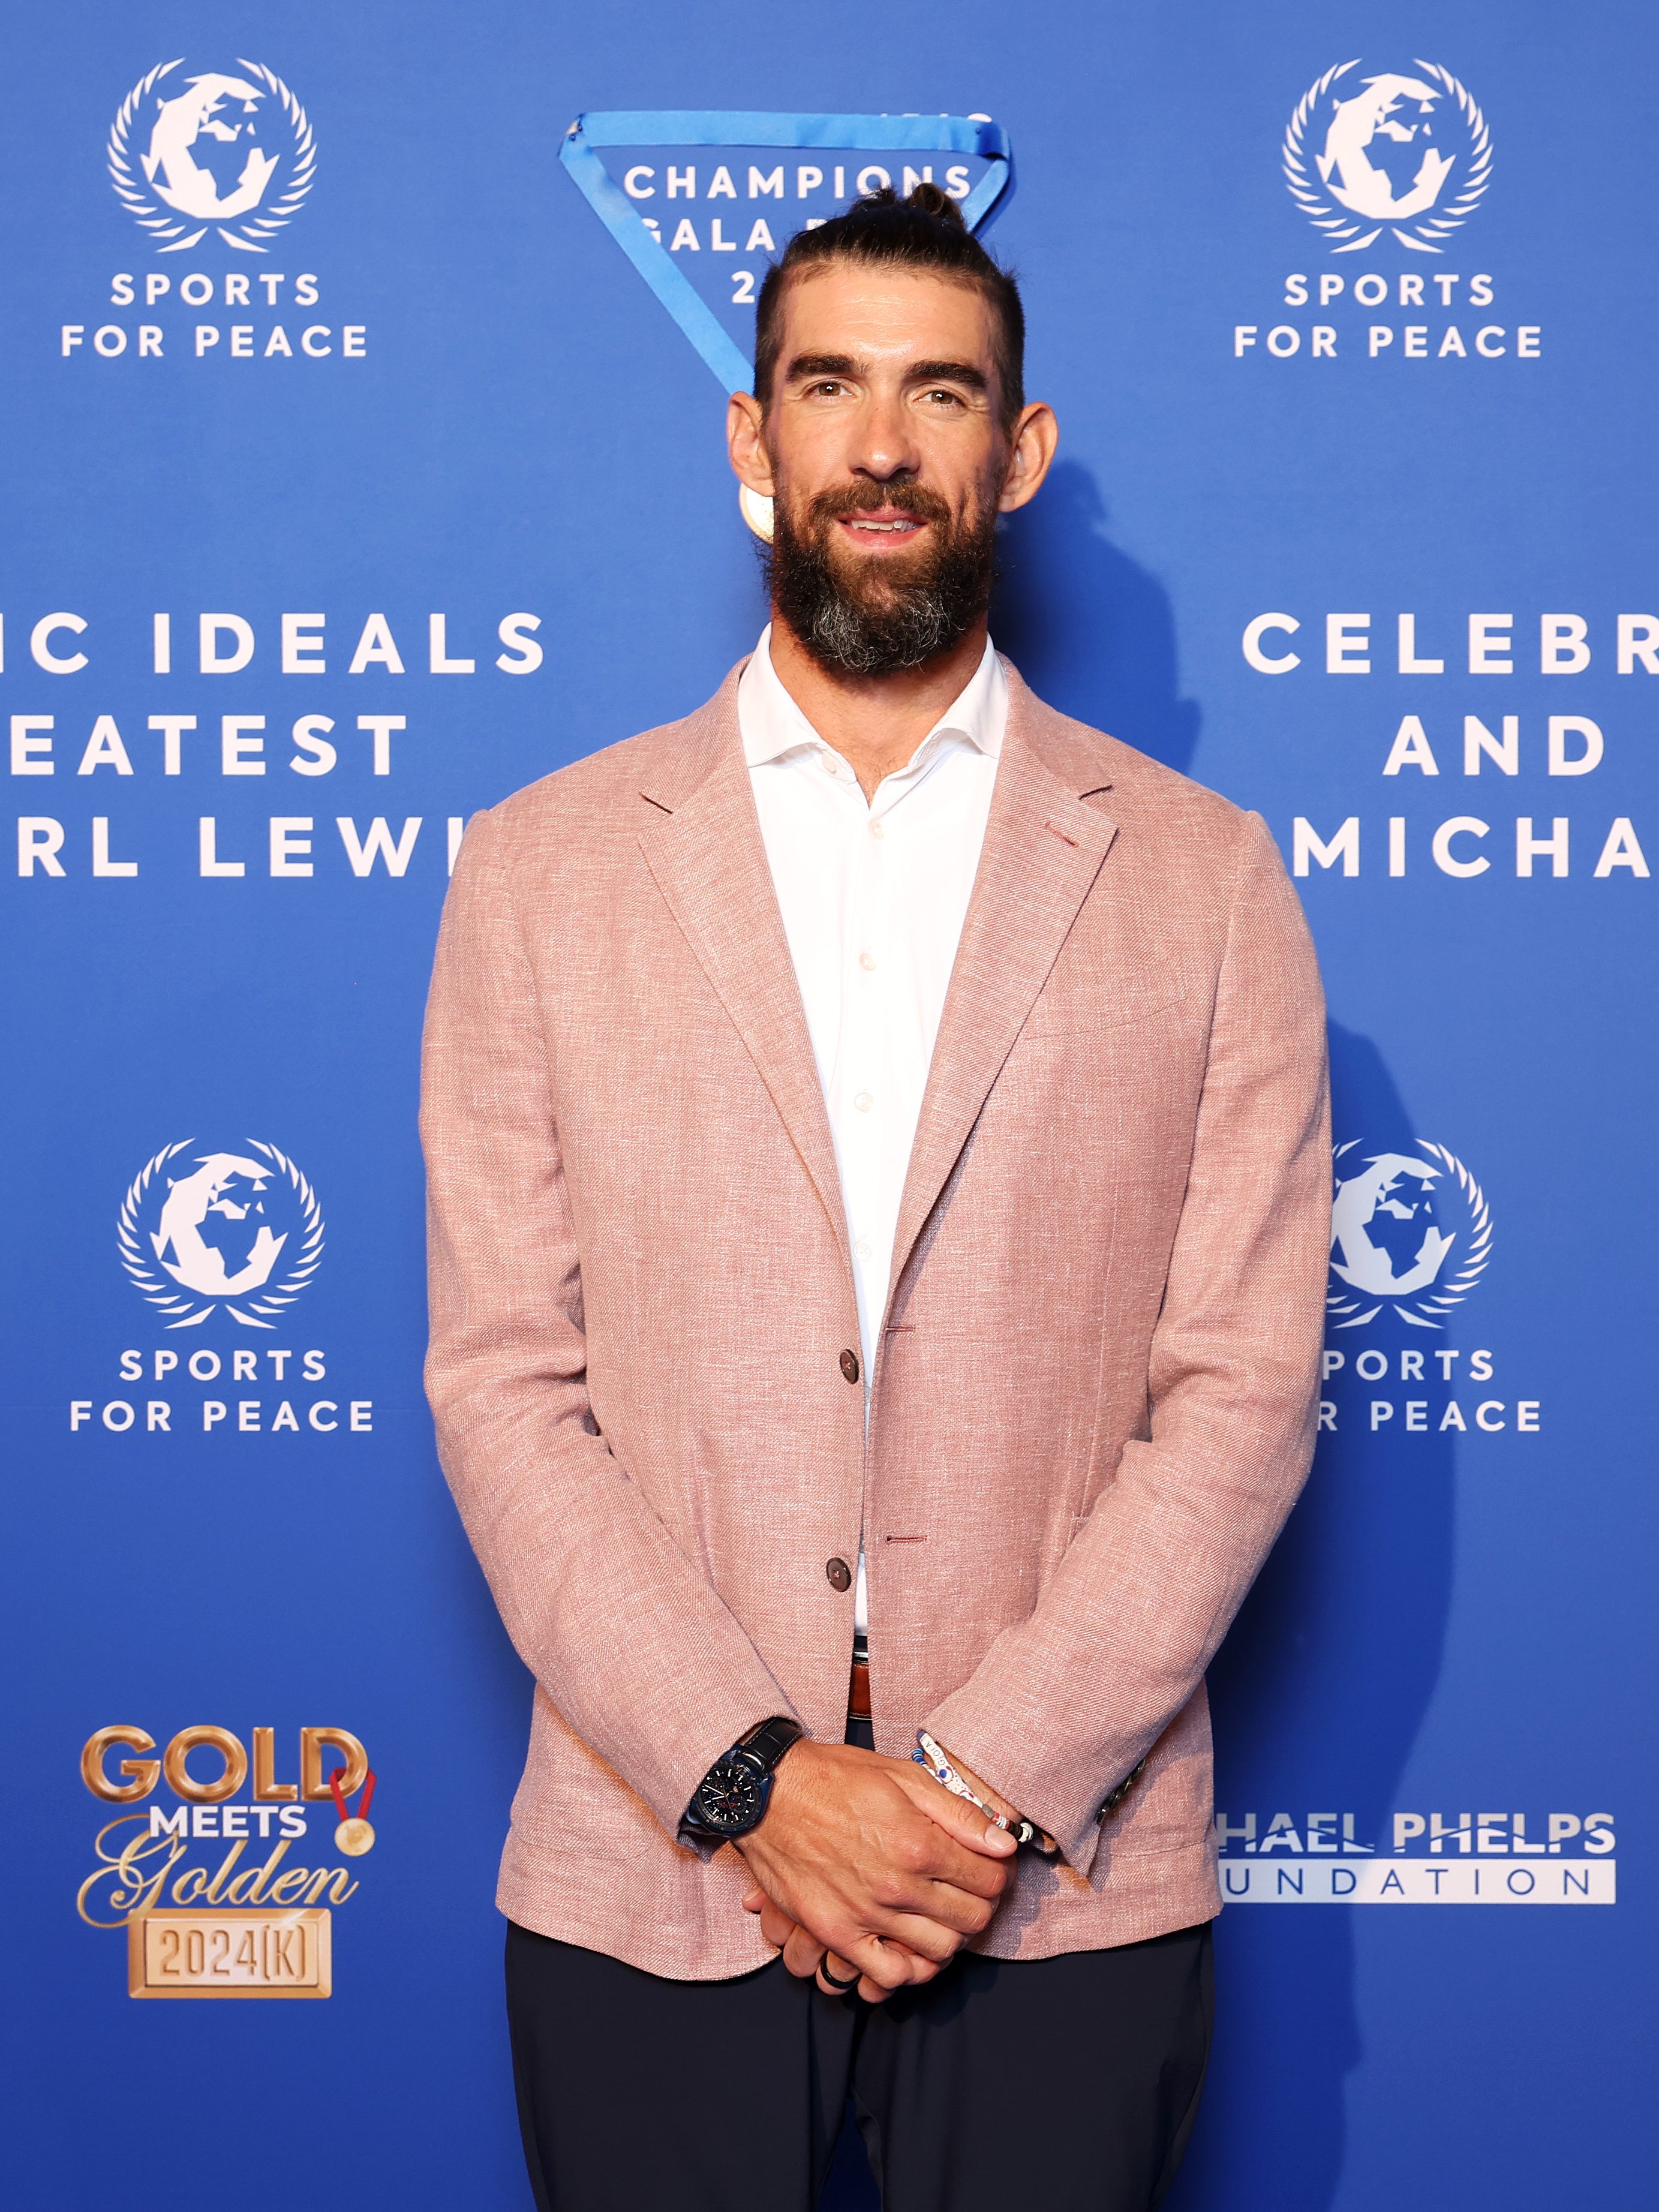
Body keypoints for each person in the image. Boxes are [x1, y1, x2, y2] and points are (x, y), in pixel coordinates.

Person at [421, 184, 1330, 2212]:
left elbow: (1244, 1394)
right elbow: (504, 1384)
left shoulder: (1208, 879)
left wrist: (965, 1792)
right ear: (754, 441)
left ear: (1019, 450)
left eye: (942, 392)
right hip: (651, 1873)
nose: (884, 444)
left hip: (1052, 1886)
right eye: (829, 386)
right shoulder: (539, 870)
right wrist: (751, 1781)